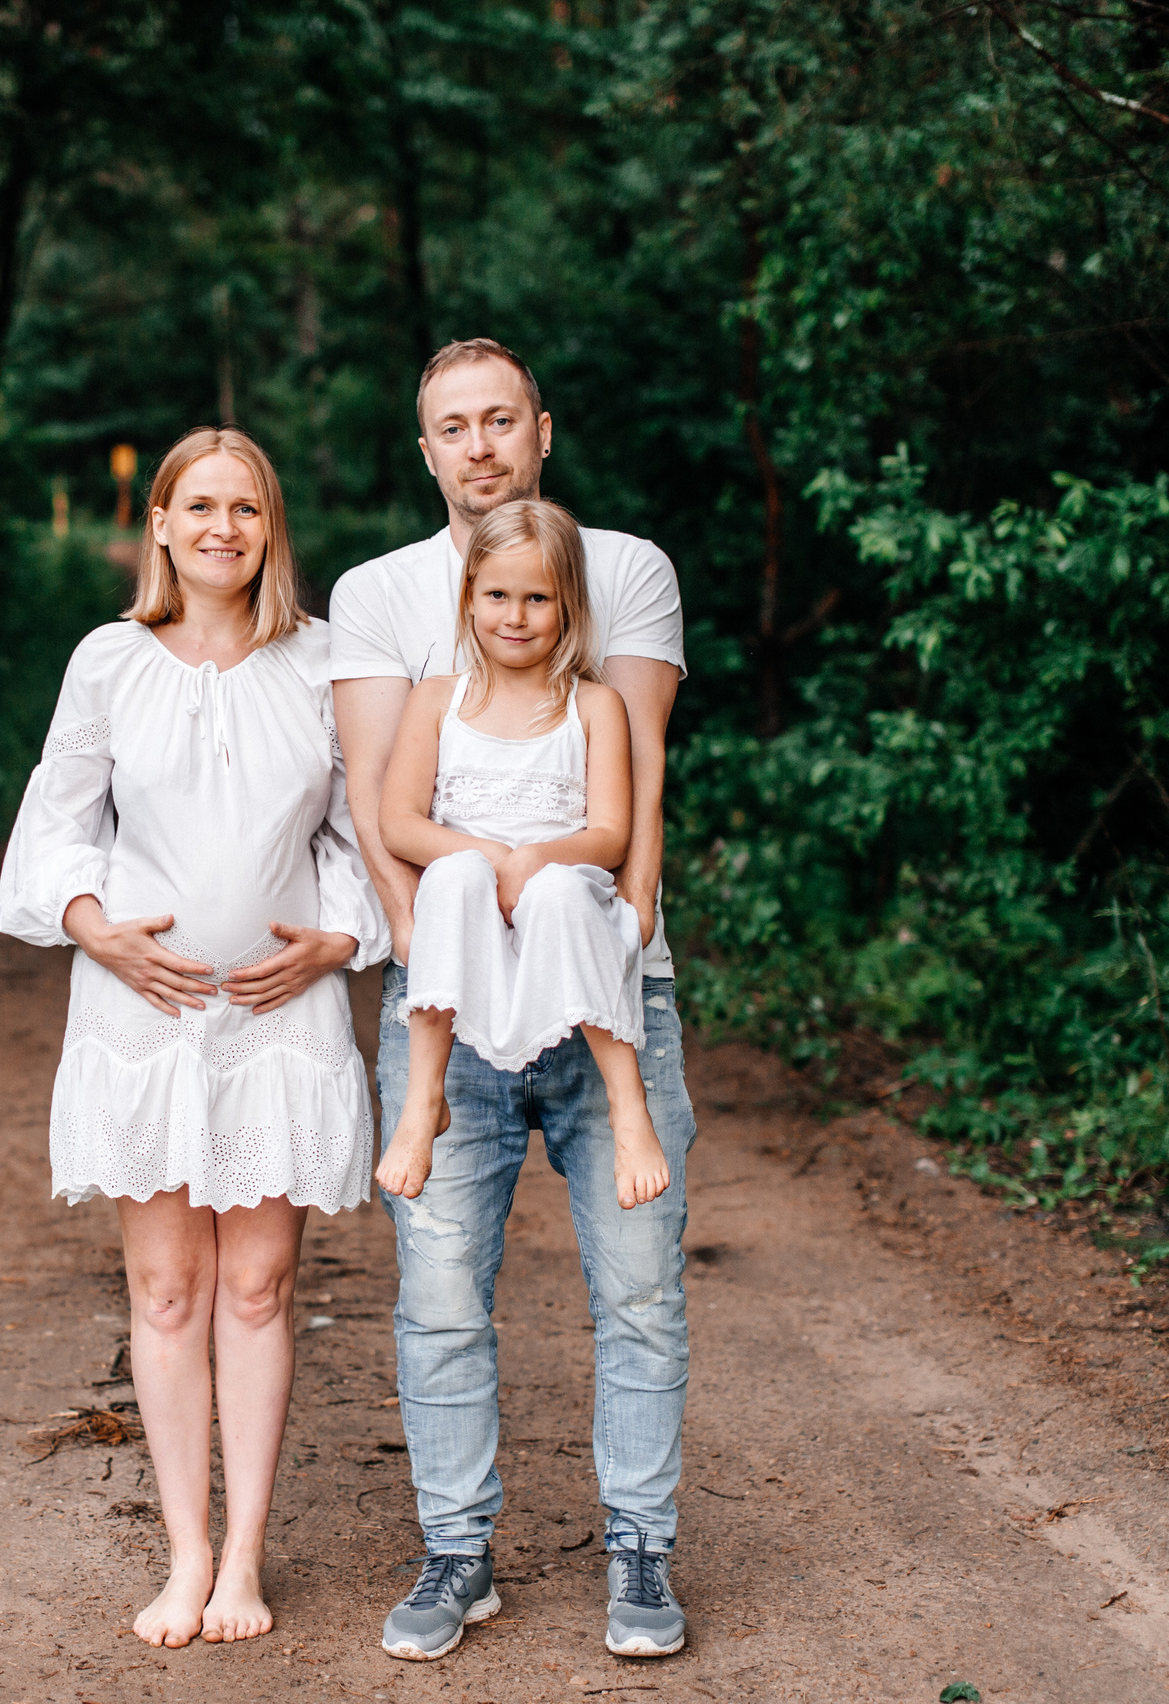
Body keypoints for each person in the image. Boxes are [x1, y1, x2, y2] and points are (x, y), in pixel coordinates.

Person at [329, 339, 696, 1663]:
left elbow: (634, 770)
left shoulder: (625, 568)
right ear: (422, 450)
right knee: (437, 1292)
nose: (478, 445)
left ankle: (640, 1551)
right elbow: (385, 810)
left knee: (643, 1288)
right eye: (451, 427)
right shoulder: (377, 597)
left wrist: (621, 921)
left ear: (541, 429)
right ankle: (456, 1550)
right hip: (452, 992)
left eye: (500, 420)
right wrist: (456, 937)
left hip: (600, 980)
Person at [0, 425, 388, 1650]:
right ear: (159, 523)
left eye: (248, 508)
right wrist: (93, 928)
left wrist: (342, 938)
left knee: (262, 1287)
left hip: (280, 1017)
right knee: (167, 1291)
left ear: (272, 531)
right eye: (200, 505)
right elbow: (54, 827)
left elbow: (366, 833)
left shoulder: (327, 662)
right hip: (145, 1018)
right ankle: (185, 1553)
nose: (224, 527)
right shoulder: (109, 661)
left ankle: (247, 1559)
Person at [375, 499, 670, 1216]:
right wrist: (487, 854)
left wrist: (533, 859)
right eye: (497, 595)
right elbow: (399, 822)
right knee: (454, 876)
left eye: (538, 598)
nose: (516, 615)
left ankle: (627, 1107)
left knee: (559, 893)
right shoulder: (438, 700)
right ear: (469, 597)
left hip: (560, 907)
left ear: (568, 606)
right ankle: (425, 1101)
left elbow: (609, 834)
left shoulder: (594, 705)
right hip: (469, 911)